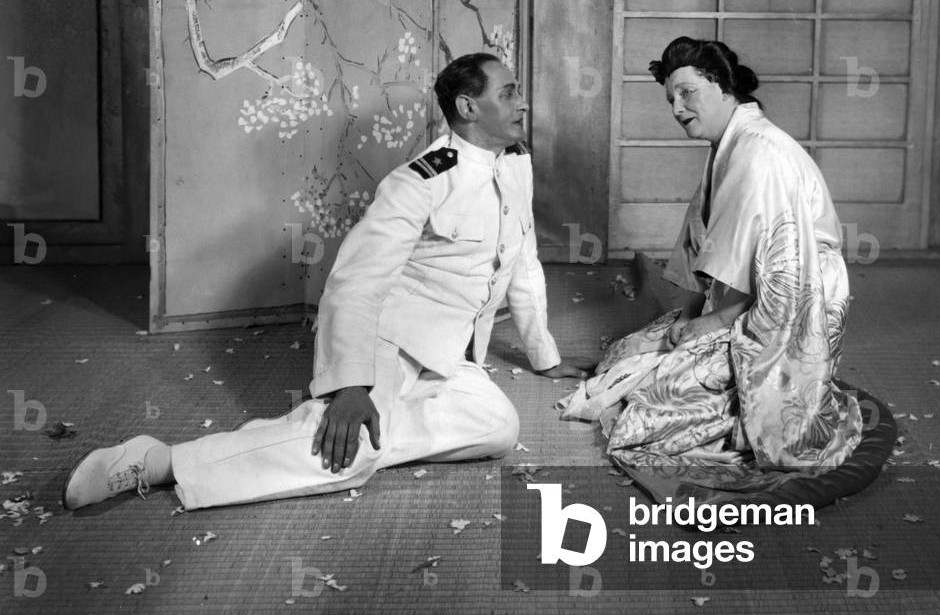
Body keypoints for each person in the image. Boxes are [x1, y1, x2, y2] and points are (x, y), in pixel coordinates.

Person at [64, 52, 591, 511]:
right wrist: (353, 385)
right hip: (387, 337)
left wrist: (544, 356)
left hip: (449, 353)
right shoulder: (420, 181)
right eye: (510, 91)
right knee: (350, 451)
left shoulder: (515, 165)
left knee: (499, 428)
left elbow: (523, 262)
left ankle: (317, 437)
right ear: (469, 109)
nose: (523, 101)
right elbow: (355, 282)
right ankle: (160, 461)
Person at [558, 36, 863, 501]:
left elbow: (775, 258)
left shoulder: (759, 151)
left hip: (794, 296)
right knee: (629, 353)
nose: (677, 108)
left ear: (721, 86)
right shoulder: (733, 142)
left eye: (687, 92)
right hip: (745, 290)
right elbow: (718, 244)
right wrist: (693, 311)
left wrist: (717, 320)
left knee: (659, 399)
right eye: (670, 99)